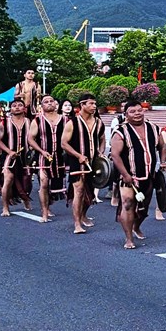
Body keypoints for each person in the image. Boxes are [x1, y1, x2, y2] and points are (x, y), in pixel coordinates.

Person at [110, 99, 162, 249]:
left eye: (139, 110)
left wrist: (164, 163)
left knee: (144, 209)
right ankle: (129, 238)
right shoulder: (120, 131)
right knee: (127, 204)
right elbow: (115, 155)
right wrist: (125, 174)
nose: (137, 113)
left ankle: (136, 226)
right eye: (132, 111)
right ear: (126, 115)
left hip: (149, 176)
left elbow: (162, 147)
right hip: (129, 177)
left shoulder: (153, 128)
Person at [62, 93, 104, 234]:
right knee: (78, 191)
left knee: (90, 194)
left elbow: (102, 139)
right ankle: (77, 223)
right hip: (77, 163)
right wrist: (78, 155)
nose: (94, 106)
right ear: (82, 105)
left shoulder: (98, 122)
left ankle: (83, 215)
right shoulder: (72, 122)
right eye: (91, 103)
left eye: (95, 104)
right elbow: (64, 143)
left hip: (94, 163)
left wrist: (101, 152)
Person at [29, 95, 68, 223]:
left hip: (60, 157)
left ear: (56, 104)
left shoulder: (66, 120)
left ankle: (50, 205)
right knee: (44, 184)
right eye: (46, 102)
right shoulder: (37, 121)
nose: (50, 103)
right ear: (42, 106)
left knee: (56, 185)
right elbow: (30, 139)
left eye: (52, 101)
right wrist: (41, 151)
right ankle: (44, 212)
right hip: (43, 157)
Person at [0, 99, 34, 216]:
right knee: (8, 180)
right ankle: (5, 207)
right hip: (10, 157)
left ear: (24, 108)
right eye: (14, 106)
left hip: (26, 156)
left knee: (27, 181)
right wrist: (9, 152)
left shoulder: (30, 122)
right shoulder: (4, 122)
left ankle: (25, 198)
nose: (17, 107)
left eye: (20, 105)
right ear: (11, 108)